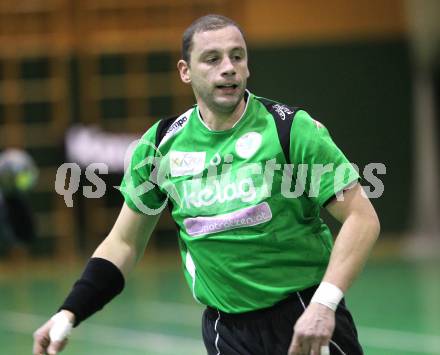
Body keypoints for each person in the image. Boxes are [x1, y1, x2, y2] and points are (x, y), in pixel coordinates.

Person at [33, 14, 380, 355]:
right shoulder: (160, 146)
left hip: (304, 315)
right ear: (185, 71)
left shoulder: (291, 130)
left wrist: (324, 304)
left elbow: (362, 219)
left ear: (247, 66)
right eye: (212, 59)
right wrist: (69, 311)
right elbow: (123, 243)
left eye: (237, 56)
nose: (227, 67)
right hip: (225, 332)